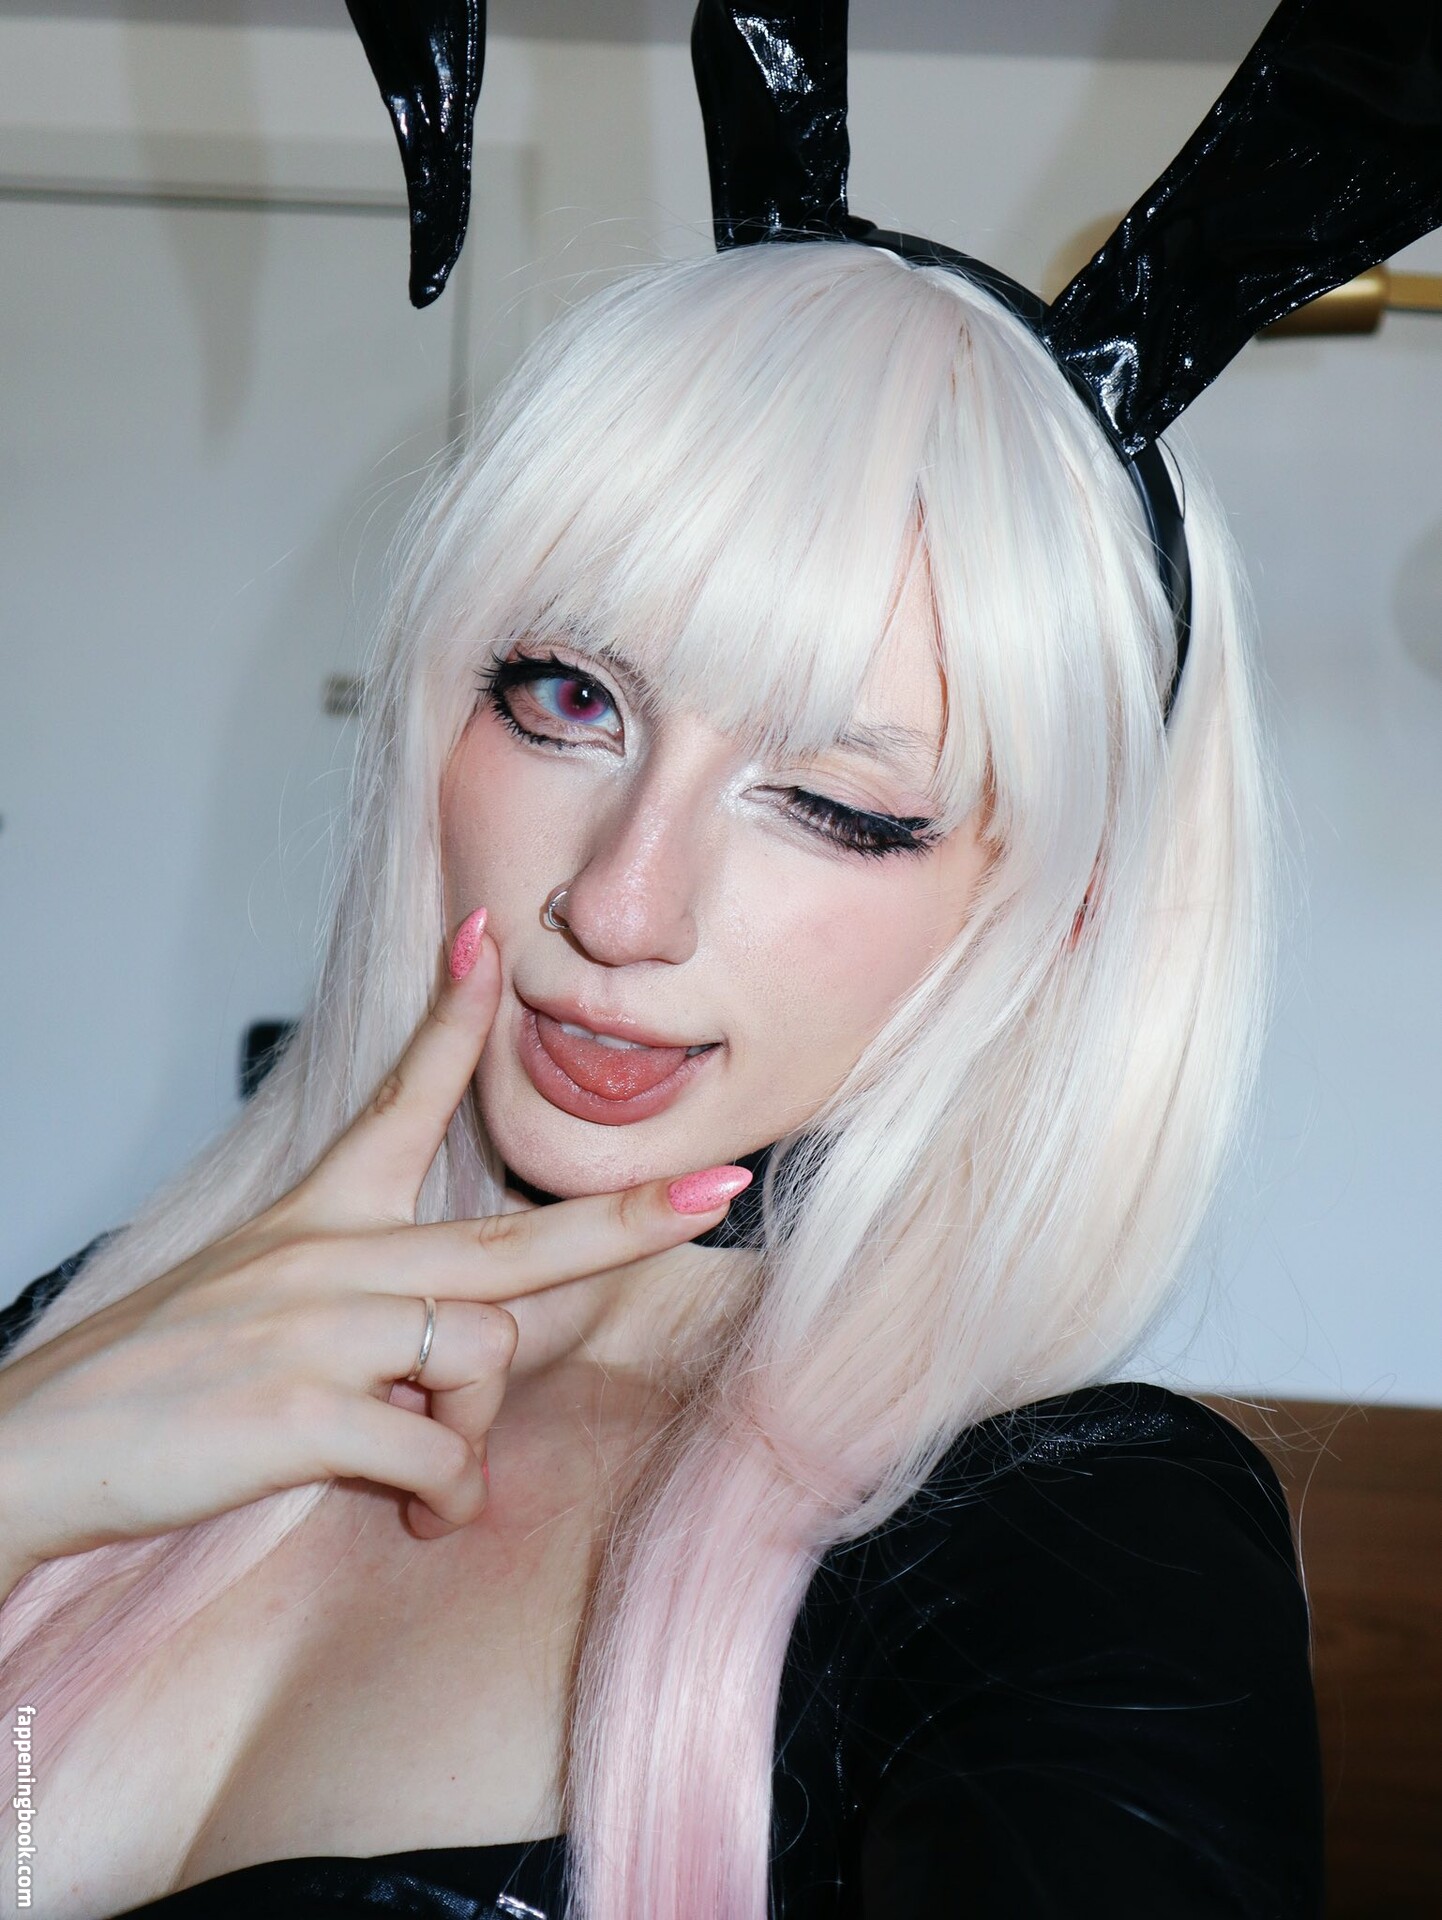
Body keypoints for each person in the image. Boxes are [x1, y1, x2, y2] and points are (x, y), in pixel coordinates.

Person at [0, 239, 1322, 1918]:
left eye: (836, 806)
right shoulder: (110, 1340)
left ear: (1053, 906)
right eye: (568, 701)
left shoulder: (1069, 1544)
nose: (620, 907)